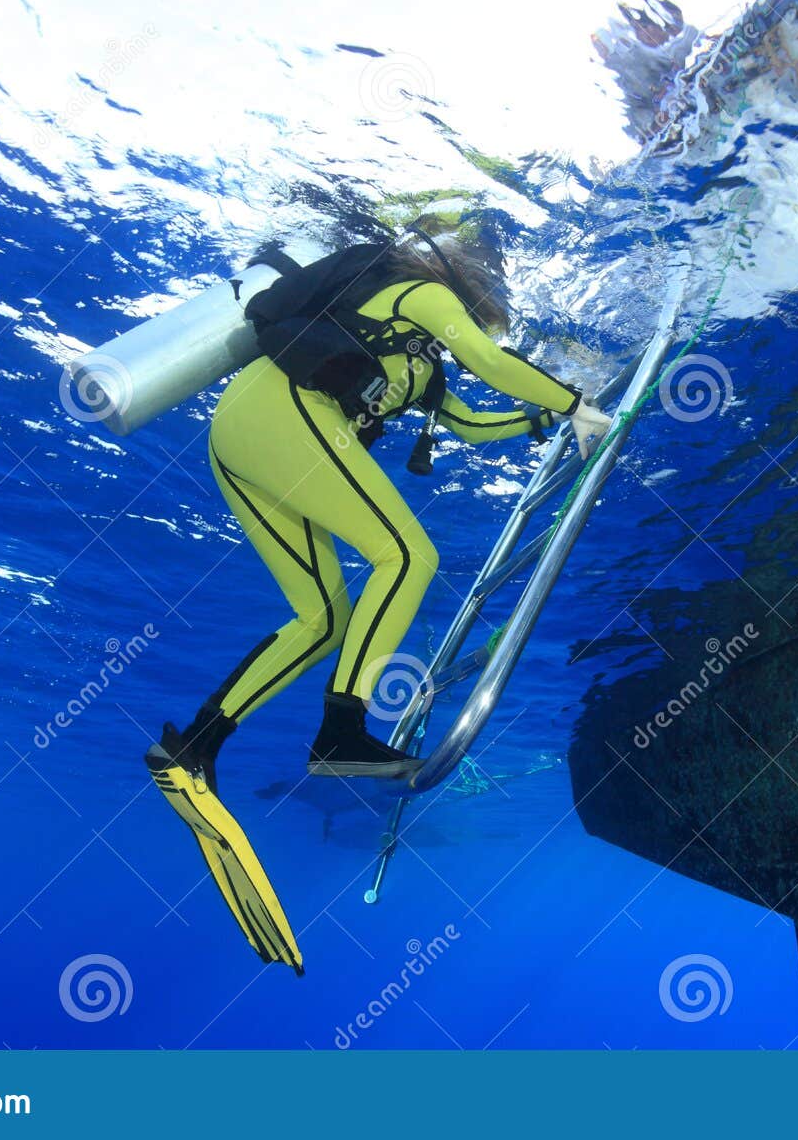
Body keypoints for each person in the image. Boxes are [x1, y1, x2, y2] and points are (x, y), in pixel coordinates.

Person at [152, 231, 613, 787]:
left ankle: (196, 745)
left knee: (322, 619)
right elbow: (489, 360)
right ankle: (340, 733)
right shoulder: (421, 291)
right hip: (285, 410)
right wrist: (575, 403)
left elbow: (469, 427)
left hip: (241, 433)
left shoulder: (418, 357)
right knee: (408, 556)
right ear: (469, 278)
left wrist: (549, 420)